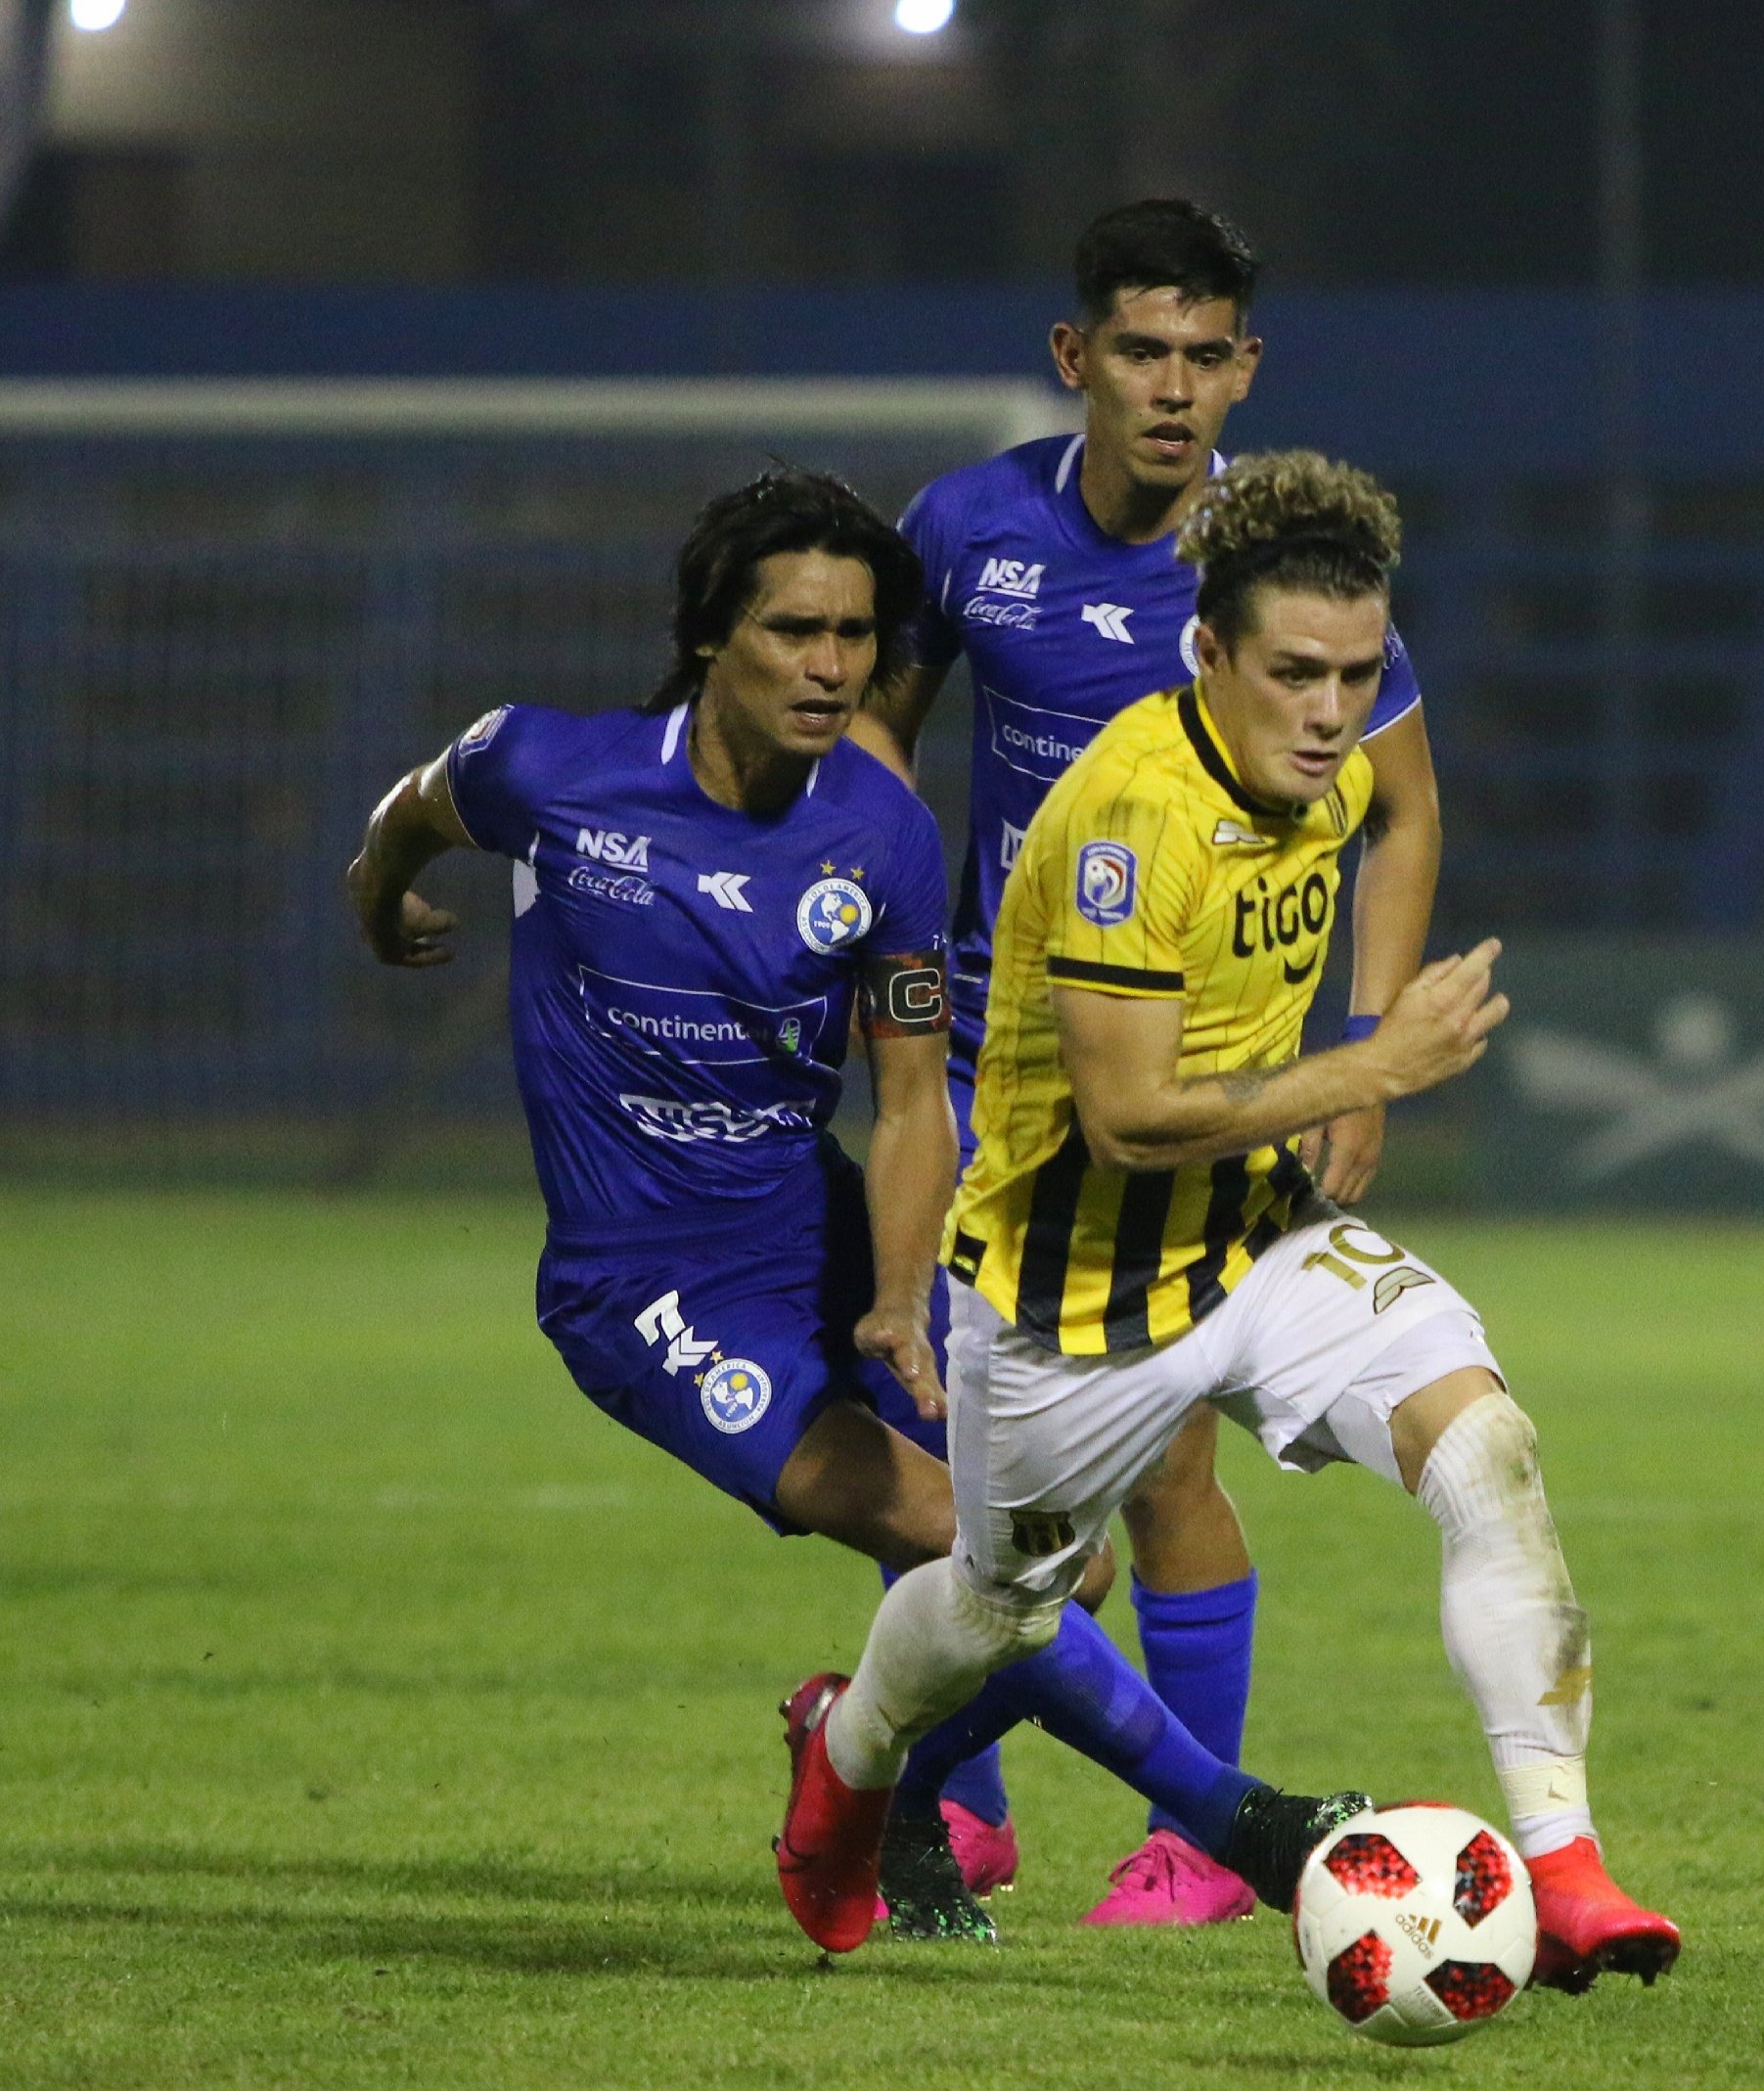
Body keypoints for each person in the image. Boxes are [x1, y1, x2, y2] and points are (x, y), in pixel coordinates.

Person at [343, 467, 1354, 1946]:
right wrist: (379, 898)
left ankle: (868, 1773)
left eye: (859, 640)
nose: (833, 669)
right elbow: (416, 808)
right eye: (797, 632)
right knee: (970, 1538)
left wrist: (896, 1295)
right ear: (711, 636)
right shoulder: (547, 769)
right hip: (646, 1289)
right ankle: (1242, 1823)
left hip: (816, 1230)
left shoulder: (876, 836)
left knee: (1064, 1550)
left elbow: (900, 1099)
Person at [780, 452, 1681, 1992]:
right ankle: (850, 1758)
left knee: (1484, 1445)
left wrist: (1361, 1053)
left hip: (1253, 1241)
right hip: (1071, 1295)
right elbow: (1126, 1117)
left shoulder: (1316, 766)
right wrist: (1371, 1060)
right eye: (1293, 677)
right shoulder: (1138, 817)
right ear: (1209, 656)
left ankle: (1566, 1867)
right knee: (1004, 1602)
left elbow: (1408, 820)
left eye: (1352, 676)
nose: (1329, 714)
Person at [852, 199, 1445, 1925]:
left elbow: (1402, 813)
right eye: (1139, 351)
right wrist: (867, 937)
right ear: (1075, 359)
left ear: (1245, 367)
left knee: (1157, 1460)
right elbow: (878, 732)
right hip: (979, 1066)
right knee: (976, 1473)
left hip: (1194, 1076)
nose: (1173, 390)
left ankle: (1179, 1840)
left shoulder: (1283, 582)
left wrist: (1366, 1052)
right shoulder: (965, 530)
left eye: (1205, 356)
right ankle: (964, 1807)